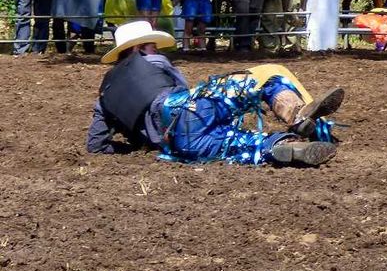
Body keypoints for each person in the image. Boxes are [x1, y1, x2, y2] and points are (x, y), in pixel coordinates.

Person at [86, 20, 344, 166]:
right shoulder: (155, 62)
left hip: (179, 145)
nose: (156, 51)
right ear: (138, 49)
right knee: (266, 77)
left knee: (240, 144)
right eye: (152, 46)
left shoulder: (105, 96)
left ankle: (286, 146)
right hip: (187, 108)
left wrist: (135, 144)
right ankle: (298, 115)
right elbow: (185, 94)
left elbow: (95, 145)